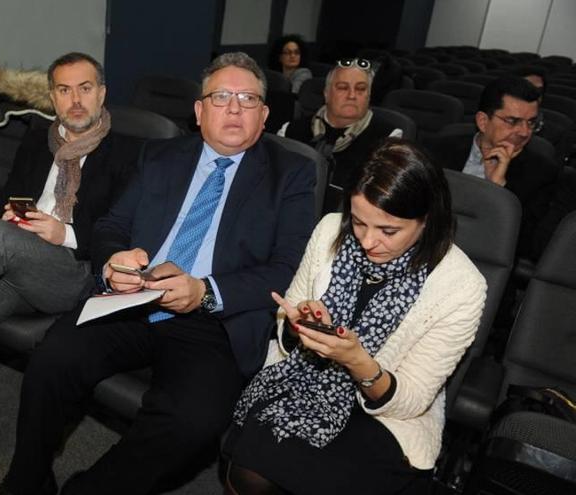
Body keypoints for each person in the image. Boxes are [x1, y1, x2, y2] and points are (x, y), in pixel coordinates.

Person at [0, 52, 316, 495]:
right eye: (221, 97)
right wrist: (113, 261)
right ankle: (26, 480)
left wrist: (205, 290)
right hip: (133, 298)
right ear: (199, 111)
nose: (235, 108)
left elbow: (287, 269)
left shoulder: (293, 174)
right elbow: (110, 226)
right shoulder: (161, 155)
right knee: (53, 359)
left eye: (248, 98)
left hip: (214, 319)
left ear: (264, 115)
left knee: (194, 422)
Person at [0, 52, 141, 494]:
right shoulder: (39, 138)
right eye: (64, 90)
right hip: (20, 262)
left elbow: (125, 230)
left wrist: (65, 232)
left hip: (77, 270)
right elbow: (6, 204)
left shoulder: (129, 152)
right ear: (51, 96)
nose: (75, 100)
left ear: (103, 93)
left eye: (85, 88)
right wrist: (18, 222)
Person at [223, 139, 487, 495]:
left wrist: (356, 361)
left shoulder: (461, 285)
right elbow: (289, 320)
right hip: (302, 381)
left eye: (388, 231)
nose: (367, 241)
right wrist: (301, 323)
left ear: (427, 220)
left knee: (279, 469)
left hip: (388, 417)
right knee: (250, 469)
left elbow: (411, 399)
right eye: (359, 223)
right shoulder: (331, 230)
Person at [422, 76, 559, 258]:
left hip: (484, 265)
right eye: (513, 121)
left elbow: (528, 247)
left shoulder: (541, 173)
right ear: (483, 122)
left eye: (531, 122)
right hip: (424, 250)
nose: (524, 132)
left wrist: (498, 190)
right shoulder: (436, 151)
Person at [278, 58, 402, 213]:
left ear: (369, 96)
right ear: (326, 93)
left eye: (361, 89)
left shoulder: (389, 140)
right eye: (343, 88)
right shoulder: (290, 131)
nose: (352, 95)